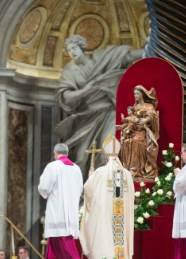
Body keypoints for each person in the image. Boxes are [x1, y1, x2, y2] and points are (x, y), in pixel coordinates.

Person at [55, 35, 144, 181]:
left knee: (107, 148)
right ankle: (84, 194)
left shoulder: (101, 58)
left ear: (82, 46)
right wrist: (87, 89)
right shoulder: (69, 71)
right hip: (86, 116)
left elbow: (126, 56)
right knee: (81, 157)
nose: (72, 52)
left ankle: (107, 189)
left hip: (109, 111)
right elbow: (66, 97)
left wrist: (151, 47)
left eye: (74, 48)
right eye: (69, 50)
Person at [80, 136, 135, 259]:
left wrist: (90, 177)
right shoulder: (126, 174)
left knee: (105, 231)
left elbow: (88, 190)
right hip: (121, 215)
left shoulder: (100, 172)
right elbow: (131, 195)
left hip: (105, 212)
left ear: (106, 159)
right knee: (119, 233)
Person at [38, 143, 83, 259]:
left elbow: (44, 187)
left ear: (55, 154)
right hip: (71, 208)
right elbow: (80, 189)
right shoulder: (76, 168)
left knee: (60, 235)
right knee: (61, 236)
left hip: (57, 207)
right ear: (67, 154)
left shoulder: (53, 166)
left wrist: (44, 192)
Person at [119, 85, 159, 181]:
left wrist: (145, 120)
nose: (135, 96)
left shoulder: (148, 106)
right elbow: (130, 120)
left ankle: (135, 169)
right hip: (133, 131)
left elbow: (152, 115)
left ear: (142, 95)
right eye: (134, 94)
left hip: (143, 133)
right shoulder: (135, 106)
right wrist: (122, 126)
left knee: (136, 141)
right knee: (125, 142)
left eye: (137, 94)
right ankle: (126, 168)